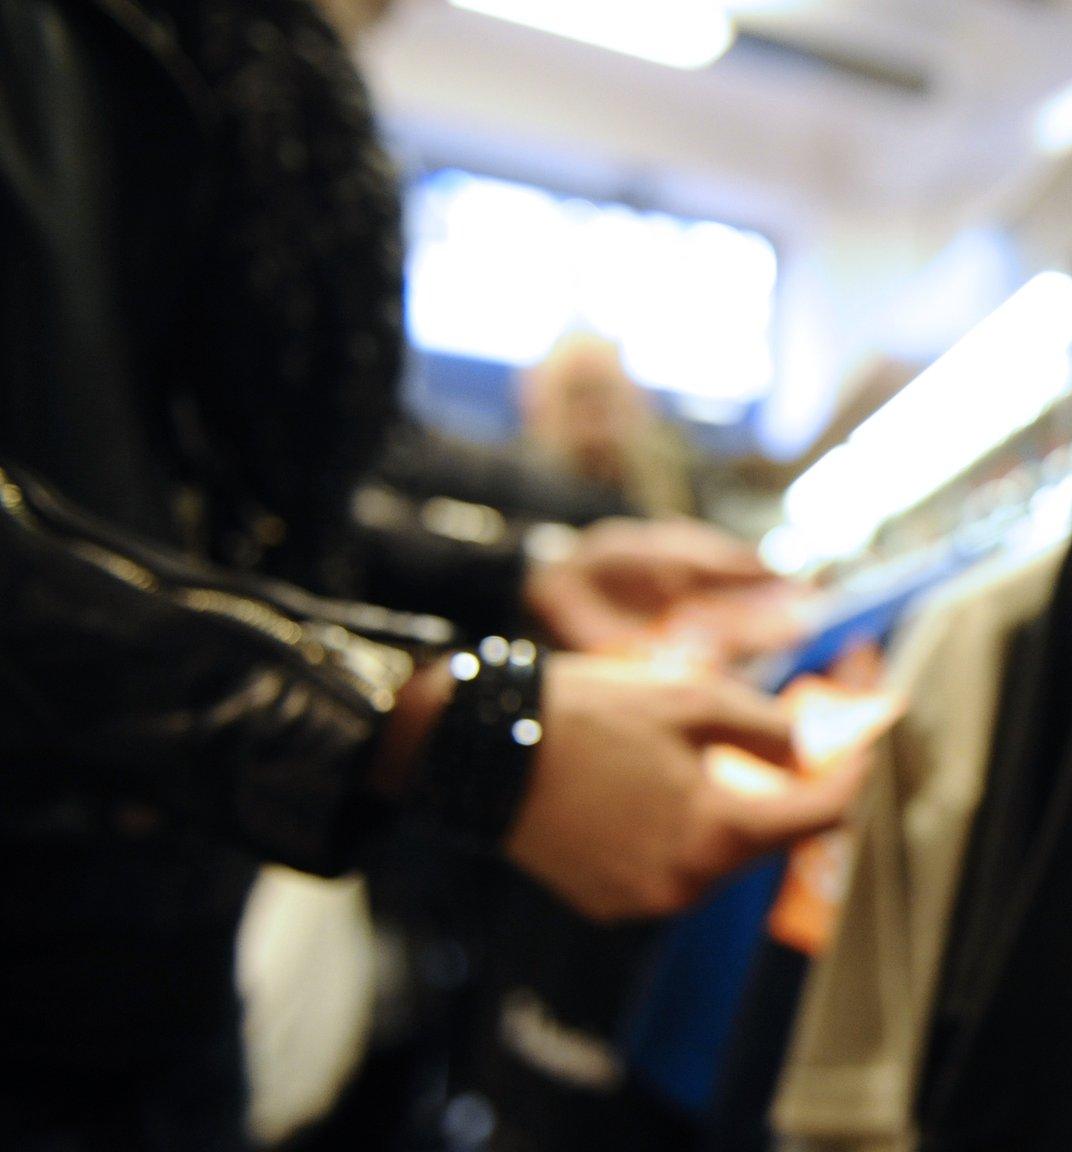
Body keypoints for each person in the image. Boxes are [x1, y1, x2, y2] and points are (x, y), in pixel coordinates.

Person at [0, 1, 853, 1148]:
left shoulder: (232, 57)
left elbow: (206, 492)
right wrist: (433, 727)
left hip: (154, 935)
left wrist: (524, 577)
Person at [521, 332, 699, 518]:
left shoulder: (672, 477)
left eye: (604, 391)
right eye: (578, 393)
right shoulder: (519, 479)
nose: (593, 407)